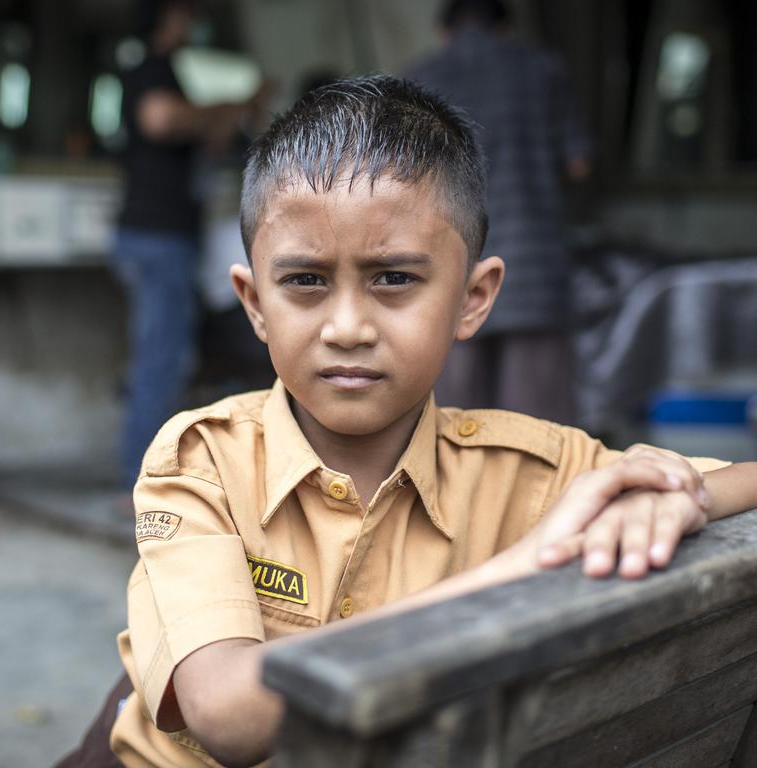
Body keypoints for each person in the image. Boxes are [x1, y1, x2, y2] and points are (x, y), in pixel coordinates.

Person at [57, 77, 756, 768]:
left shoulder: (534, 469)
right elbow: (230, 717)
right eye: (305, 280)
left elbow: (738, 481)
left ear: (473, 298)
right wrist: (523, 566)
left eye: (393, 278)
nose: (348, 327)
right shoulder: (201, 460)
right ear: (254, 301)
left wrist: (679, 495)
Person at [403, 0, 593, 423]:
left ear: (446, 31)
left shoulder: (420, 76)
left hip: (449, 259)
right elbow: (578, 164)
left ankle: (454, 490)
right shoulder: (541, 68)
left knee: (450, 416)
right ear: (506, 28)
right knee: (535, 419)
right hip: (533, 263)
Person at [113, 0, 269, 495]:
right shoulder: (150, 69)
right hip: (156, 235)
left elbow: (206, 140)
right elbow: (160, 120)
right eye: (182, 13)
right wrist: (229, 105)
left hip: (164, 236)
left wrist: (239, 110)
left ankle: (146, 475)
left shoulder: (170, 74)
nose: (190, 22)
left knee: (168, 355)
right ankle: (139, 482)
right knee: (161, 359)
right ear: (166, 18)